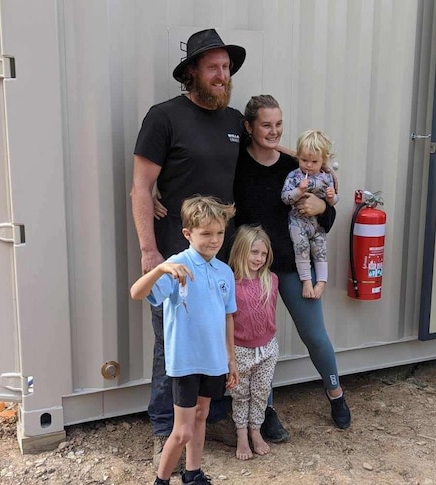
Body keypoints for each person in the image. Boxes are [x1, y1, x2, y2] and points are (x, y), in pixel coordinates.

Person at [130, 27, 249, 467]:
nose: (222, 75)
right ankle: (165, 428)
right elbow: (141, 187)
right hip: (174, 256)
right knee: (172, 343)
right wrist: (149, 252)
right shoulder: (164, 117)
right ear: (193, 72)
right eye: (213, 67)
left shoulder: (235, 121)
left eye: (226, 68)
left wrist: (318, 169)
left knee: (213, 337)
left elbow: (269, 156)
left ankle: (206, 418)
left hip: (219, 257)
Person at [233, 94, 352, 430]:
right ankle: (265, 412)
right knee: (258, 344)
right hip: (254, 269)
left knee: (314, 334)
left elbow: (323, 220)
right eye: (266, 125)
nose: (274, 131)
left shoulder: (295, 168)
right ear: (249, 127)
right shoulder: (237, 165)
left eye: (279, 124)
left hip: (294, 264)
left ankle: (336, 393)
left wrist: (324, 209)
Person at [130, 196, 239, 485]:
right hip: (186, 364)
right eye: (206, 233)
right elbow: (136, 293)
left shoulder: (224, 271)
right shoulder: (176, 265)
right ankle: (161, 480)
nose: (214, 240)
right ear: (188, 234)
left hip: (214, 361)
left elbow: (228, 317)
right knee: (182, 432)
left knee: (201, 416)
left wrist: (230, 359)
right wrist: (159, 269)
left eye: (219, 233)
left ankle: (192, 474)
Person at [227, 225, 280, 460]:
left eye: (263, 254)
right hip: (240, 349)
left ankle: (255, 431)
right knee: (240, 394)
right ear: (241, 251)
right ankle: (240, 435)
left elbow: (270, 313)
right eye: (254, 252)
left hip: (267, 348)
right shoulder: (230, 282)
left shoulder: (271, 279)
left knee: (260, 392)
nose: (259, 258)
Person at [281, 130, 339, 299]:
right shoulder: (294, 176)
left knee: (320, 250)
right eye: (304, 160)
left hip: (317, 224)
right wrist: (298, 191)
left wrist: (331, 197)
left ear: (323, 160)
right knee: (302, 249)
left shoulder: (327, 177)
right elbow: (285, 197)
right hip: (298, 222)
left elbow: (334, 201)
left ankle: (321, 282)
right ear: (298, 156)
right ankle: (306, 281)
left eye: (314, 161)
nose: (308, 165)